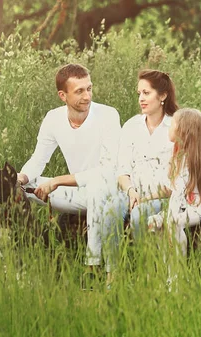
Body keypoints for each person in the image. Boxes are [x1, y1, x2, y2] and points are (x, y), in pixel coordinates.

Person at [17, 63, 122, 279]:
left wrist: (57, 181)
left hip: (108, 193)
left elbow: (107, 171)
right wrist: (22, 177)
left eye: (89, 88)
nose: (87, 96)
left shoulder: (108, 115)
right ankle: (25, 255)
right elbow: (38, 159)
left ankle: (92, 267)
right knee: (20, 187)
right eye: (79, 91)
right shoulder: (53, 118)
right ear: (62, 95)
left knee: (96, 188)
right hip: (76, 194)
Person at [102, 69, 179, 242]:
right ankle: (111, 269)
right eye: (139, 93)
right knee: (110, 210)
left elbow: (178, 177)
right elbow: (122, 170)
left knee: (139, 216)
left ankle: (143, 266)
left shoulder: (175, 126)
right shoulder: (131, 126)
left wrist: (147, 198)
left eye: (146, 93)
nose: (141, 99)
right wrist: (130, 191)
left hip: (161, 196)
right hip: (132, 193)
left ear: (162, 96)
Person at [148, 108, 201, 255]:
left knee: (174, 222)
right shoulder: (181, 152)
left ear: (183, 130)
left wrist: (170, 216)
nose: (169, 128)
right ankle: (166, 271)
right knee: (154, 222)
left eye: (172, 125)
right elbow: (174, 191)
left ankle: (177, 275)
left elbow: (180, 194)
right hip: (191, 206)